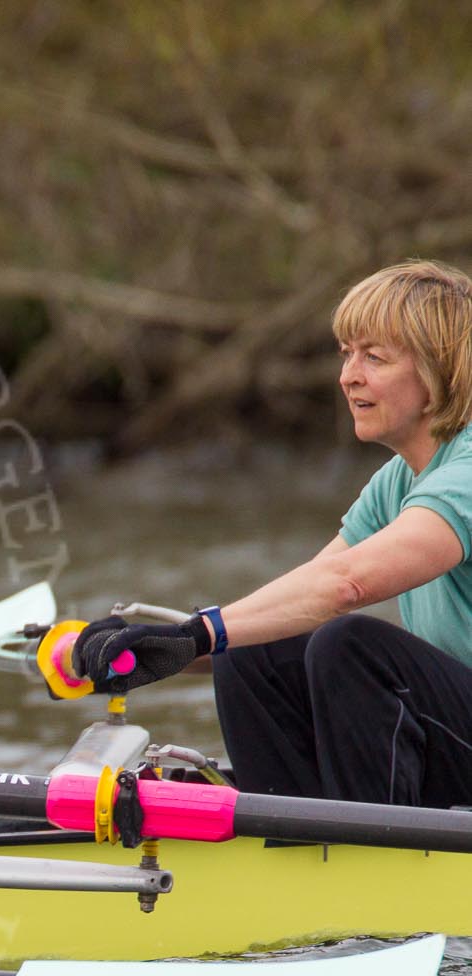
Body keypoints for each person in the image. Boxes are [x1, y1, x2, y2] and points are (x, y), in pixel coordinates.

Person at [71, 259, 472, 808]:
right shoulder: (399, 481)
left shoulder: (466, 474)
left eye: (374, 358)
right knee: (251, 646)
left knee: (352, 647)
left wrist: (201, 632)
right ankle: (291, 839)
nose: (347, 375)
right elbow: (302, 595)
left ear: (438, 374)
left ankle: (370, 856)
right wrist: (150, 646)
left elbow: (344, 587)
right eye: (346, 354)